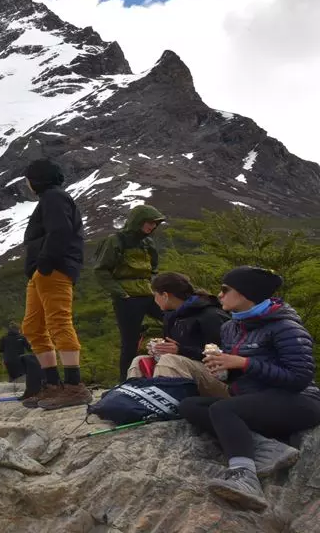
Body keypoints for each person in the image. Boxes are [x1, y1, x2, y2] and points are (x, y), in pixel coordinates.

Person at [177, 267, 320, 511]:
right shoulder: (231, 327)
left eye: (225, 290)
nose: (219, 295)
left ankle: (244, 476)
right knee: (189, 405)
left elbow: (299, 378)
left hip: (300, 401)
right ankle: (267, 447)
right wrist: (224, 370)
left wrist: (244, 363)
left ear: (246, 293)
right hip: (256, 401)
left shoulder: (285, 327)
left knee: (223, 410)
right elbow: (242, 374)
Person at [18, 159, 90, 411]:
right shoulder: (51, 198)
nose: (27, 183)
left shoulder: (54, 197)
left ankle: (74, 386)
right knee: (32, 327)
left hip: (54, 269)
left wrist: (45, 263)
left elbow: (60, 231)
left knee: (58, 321)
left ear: (37, 179)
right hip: (42, 272)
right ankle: (52, 384)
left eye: (28, 178)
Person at [94, 205, 168, 383]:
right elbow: (101, 270)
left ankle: (166, 370)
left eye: (155, 223)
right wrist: (121, 293)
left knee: (172, 321)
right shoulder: (115, 241)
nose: (153, 226)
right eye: (150, 222)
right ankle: (126, 381)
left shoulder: (148, 242)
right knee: (130, 342)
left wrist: (155, 286)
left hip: (148, 293)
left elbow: (153, 268)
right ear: (138, 221)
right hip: (127, 298)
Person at [125, 272, 230, 396]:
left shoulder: (210, 315)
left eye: (155, 295)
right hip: (187, 371)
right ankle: (133, 399)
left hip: (220, 379)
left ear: (165, 295)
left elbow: (226, 354)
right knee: (140, 361)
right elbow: (175, 350)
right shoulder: (172, 316)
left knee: (170, 361)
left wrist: (180, 350)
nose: (154, 300)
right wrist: (160, 350)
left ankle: (166, 403)